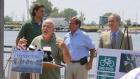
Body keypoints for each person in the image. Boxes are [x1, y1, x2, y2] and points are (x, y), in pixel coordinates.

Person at [16, 3, 45, 79]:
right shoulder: (27, 24)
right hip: (29, 58)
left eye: (43, 11)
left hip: (43, 57)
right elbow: (18, 40)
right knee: (26, 77)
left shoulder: (45, 25)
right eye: (41, 11)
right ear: (35, 11)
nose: (43, 13)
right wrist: (22, 48)